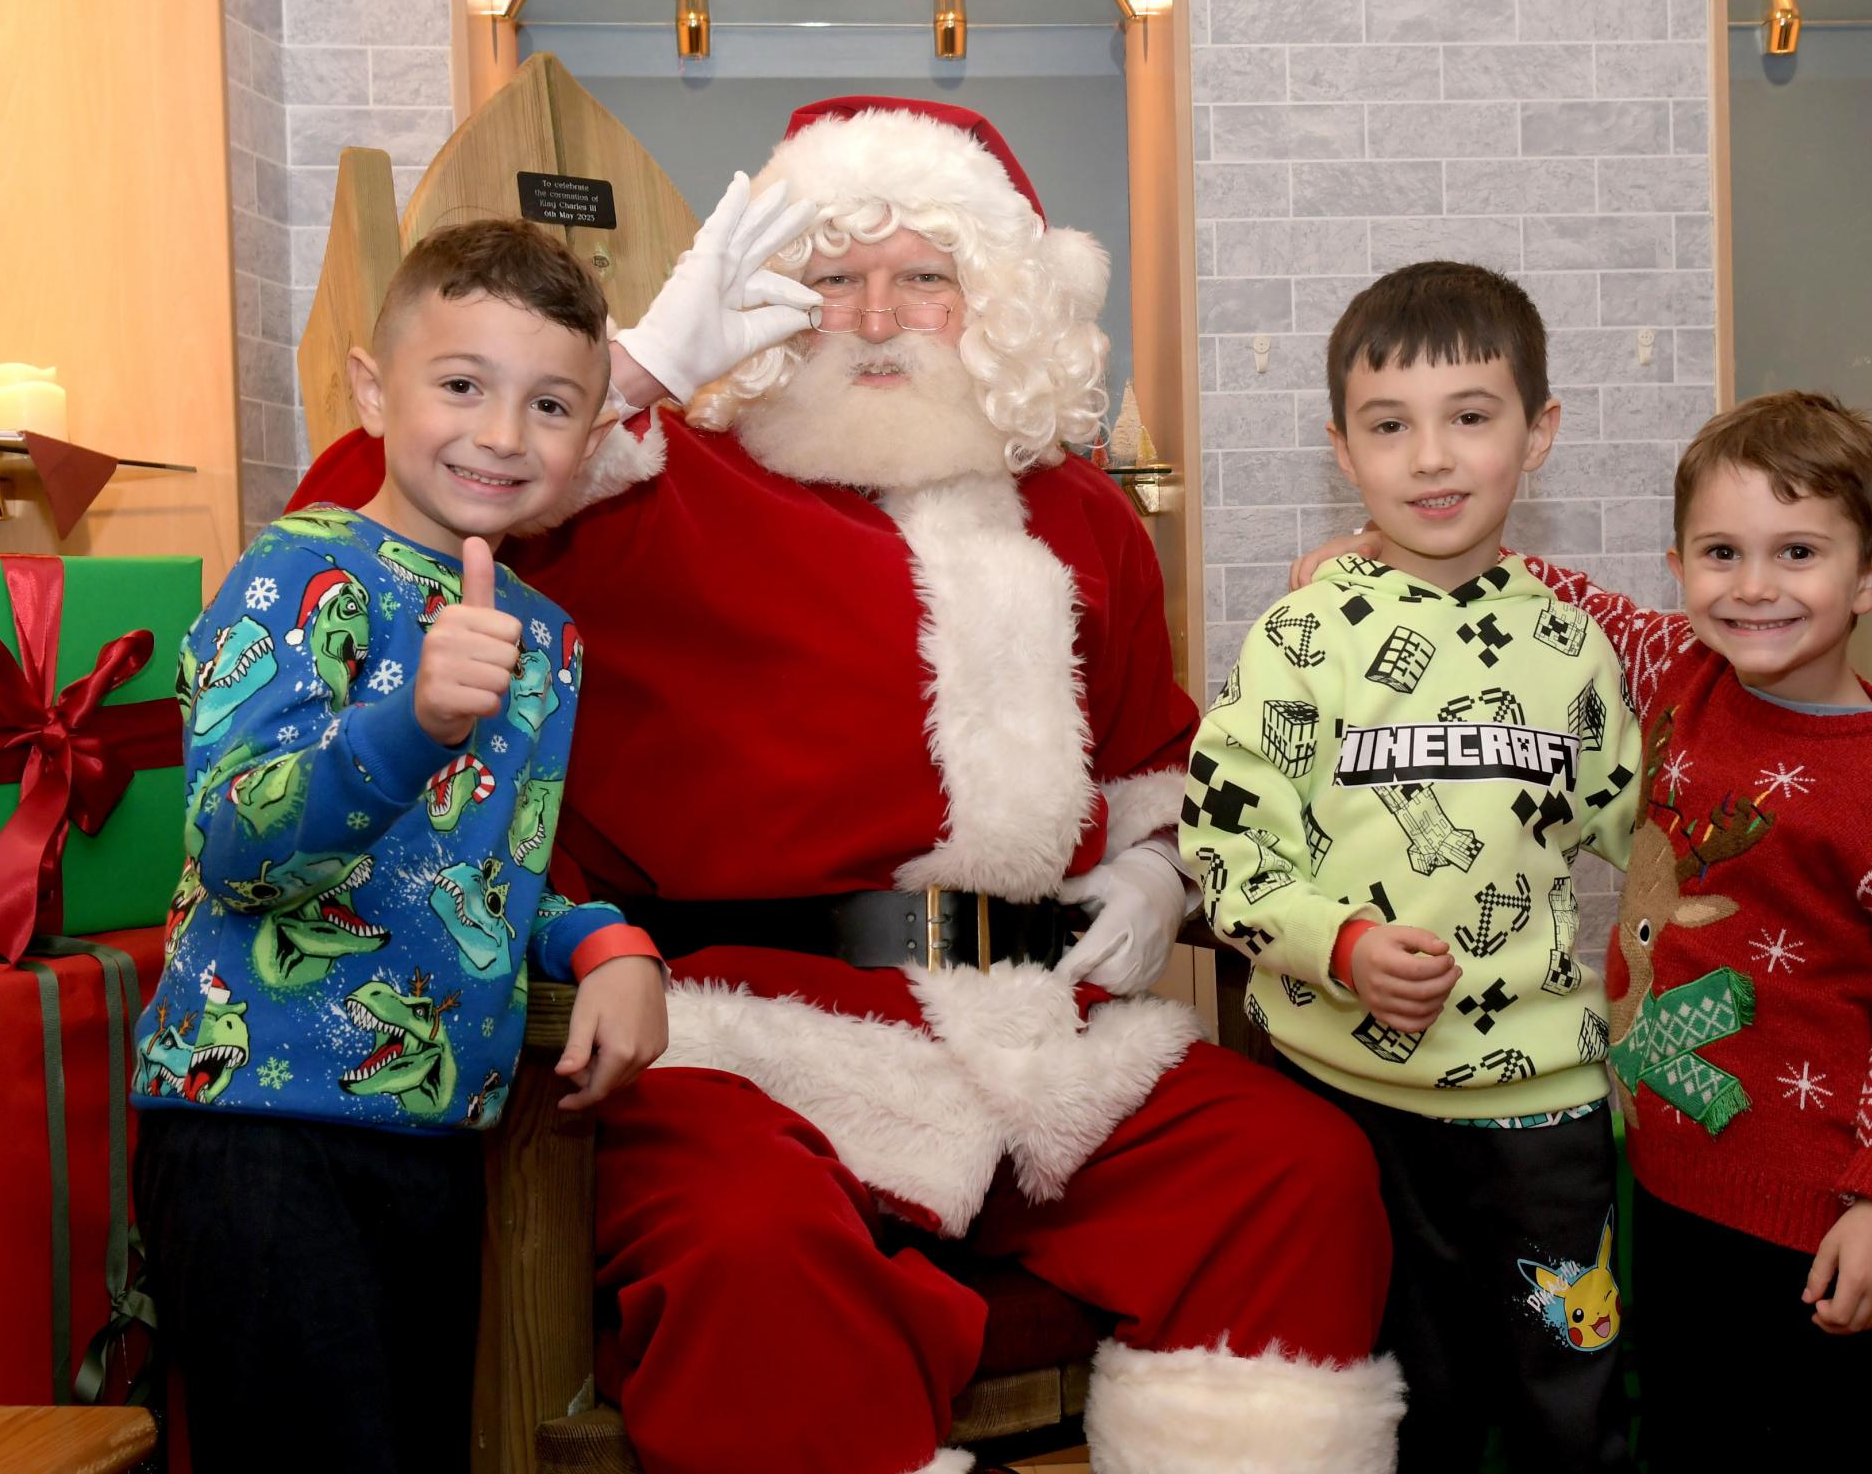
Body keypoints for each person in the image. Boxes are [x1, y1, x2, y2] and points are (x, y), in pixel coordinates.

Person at [287, 97, 1402, 1474]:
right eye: (832, 277)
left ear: (991, 305)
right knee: (753, 1249)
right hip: (730, 1038)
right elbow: (358, 515)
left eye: (923, 277)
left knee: (1295, 1173)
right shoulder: (638, 480)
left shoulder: (1085, 516)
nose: (875, 315)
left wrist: (1157, 866)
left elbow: (1155, 762)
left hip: (1033, 1031)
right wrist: (626, 378)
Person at [1301, 389, 1872, 1470]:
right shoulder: (1682, 672)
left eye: (1799, 552)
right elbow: (1560, 597)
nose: (1756, 585)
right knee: (1682, 1440)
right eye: (1721, 551)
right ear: (1678, 566)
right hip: (1666, 1193)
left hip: (1815, 1225)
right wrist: (1388, 558)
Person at [131, 220, 670, 1473]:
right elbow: (233, 843)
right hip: (260, 1122)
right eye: (462, 384)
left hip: (427, 1133)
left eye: (549, 405)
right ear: (375, 391)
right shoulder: (301, 573)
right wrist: (414, 719)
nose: (500, 433)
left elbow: (486, 862)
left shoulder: (543, 635)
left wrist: (607, 945)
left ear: (590, 443)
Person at [1183, 262, 1640, 1473]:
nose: (1432, 458)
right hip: (1346, 1105)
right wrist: (1337, 945)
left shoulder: (1572, 644)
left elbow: (1649, 837)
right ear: (1345, 449)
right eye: (1392, 426)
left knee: (1567, 1406)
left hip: (1544, 1108)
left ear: (1538, 434)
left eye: (1471, 417)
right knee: (1389, 1414)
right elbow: (1225, 842)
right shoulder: (1303, 637)